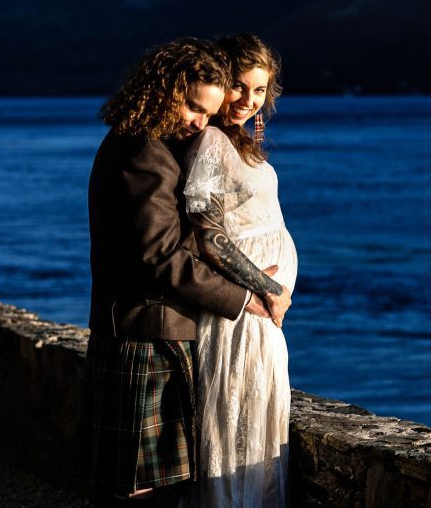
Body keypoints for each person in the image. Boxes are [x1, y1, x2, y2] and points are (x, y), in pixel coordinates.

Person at [77, 37, 290, 506]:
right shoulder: (143, 150)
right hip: (142, 333)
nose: (199, 123)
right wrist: (245, 298)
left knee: (152, 485)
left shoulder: (149, 142)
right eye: (193, 107)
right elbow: (159, 256)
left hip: (154, 330)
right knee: (137, 488)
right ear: (165, 90)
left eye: (207, 114)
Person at [182, 33, 297, 506]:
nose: (249, 101)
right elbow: (208, 237)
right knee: (235, 433)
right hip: (241, 316)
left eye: (259, 90)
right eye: (239, 86)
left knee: (258, 430)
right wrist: (269, 289)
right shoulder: (211, 140)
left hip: (260, 317)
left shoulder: (238, 142)